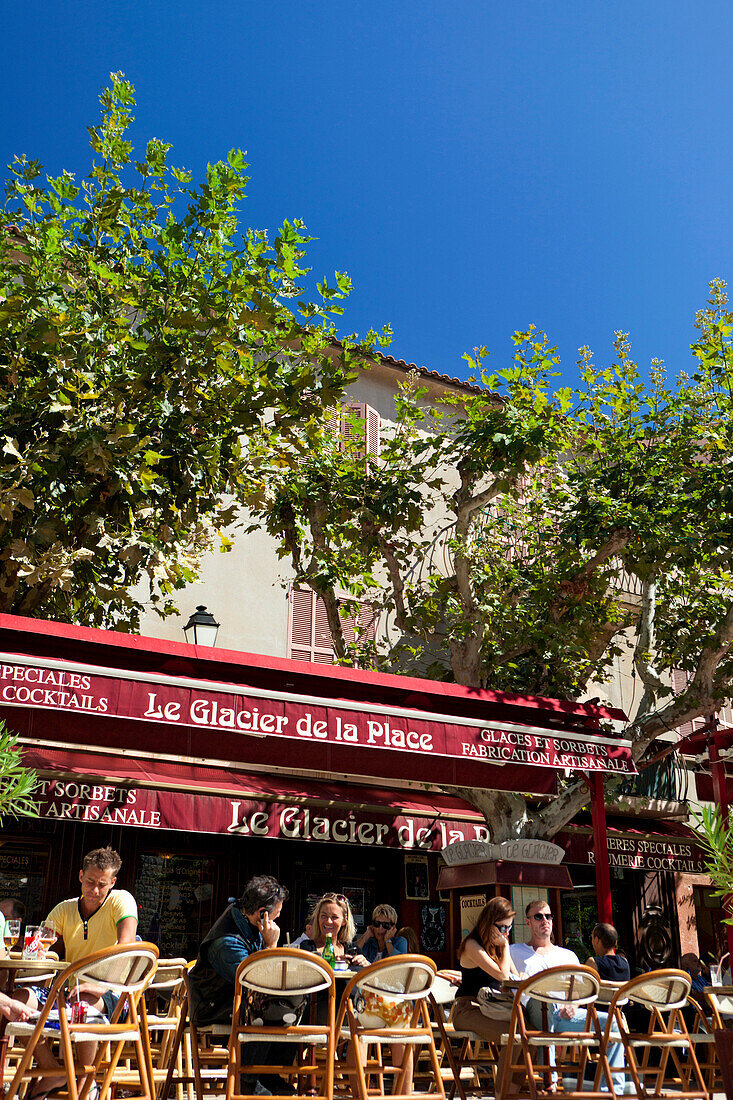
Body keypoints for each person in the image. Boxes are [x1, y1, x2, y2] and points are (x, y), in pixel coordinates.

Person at [17, 846, 138, 1098]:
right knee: (15, 1000)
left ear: (112, 882)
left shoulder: (121, 899)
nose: (95, 890)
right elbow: (42, 946)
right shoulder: (64, 909)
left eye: (102, 885)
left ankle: (85, 1080)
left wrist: (100, 986)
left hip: (113, 993)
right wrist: (35, 951)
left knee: (85, 1001)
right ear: (80, 876)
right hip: (66, 992)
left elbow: (127, 947)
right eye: (90, 881)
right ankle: (53, 1070)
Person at [188, 875, 293, 1097]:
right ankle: (247, 1078)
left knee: (292, 1005)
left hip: (235, 1000)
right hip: (214, 1005)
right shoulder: (227, 941)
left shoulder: (248, 922)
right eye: (277, 913)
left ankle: (267, 1072)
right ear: (263, 913)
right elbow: (254, 981)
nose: (279, 916)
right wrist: (271, 946)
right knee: (267, 1006)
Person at [512, 901, 624, 1094]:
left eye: (548, 916)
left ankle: (612, 1090)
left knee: (613, 1022)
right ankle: (550, 1082)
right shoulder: (514, 951)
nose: (544, 920)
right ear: (528, 923)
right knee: (542, 1002)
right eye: (538, 916)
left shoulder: (568, 956)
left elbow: (581, 989)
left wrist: (574, 1004)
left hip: (565, 1014)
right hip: (529, 1014)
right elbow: (504, 979)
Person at [452, 897, 518, 1087]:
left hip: (493, 1008)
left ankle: (514, 1092)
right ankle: (503, 1093)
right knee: (513, 1036)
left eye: (509, 928)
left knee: (527, 1031)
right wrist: (505, 947)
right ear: (489, 923)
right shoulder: (472, 944)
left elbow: (516, 975)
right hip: (468, 1009)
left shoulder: (498, 946)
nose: (506, 933)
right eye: (502, 928)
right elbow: (502, 975)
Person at [299, 893, 368, 966]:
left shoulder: (350, 947)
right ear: (318, 918)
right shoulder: (307, 947)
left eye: (334, 917)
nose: (328, 921)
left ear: (344, 921)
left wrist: (365, 964)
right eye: (324, 916)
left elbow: (371, 973)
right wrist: (335, 962)